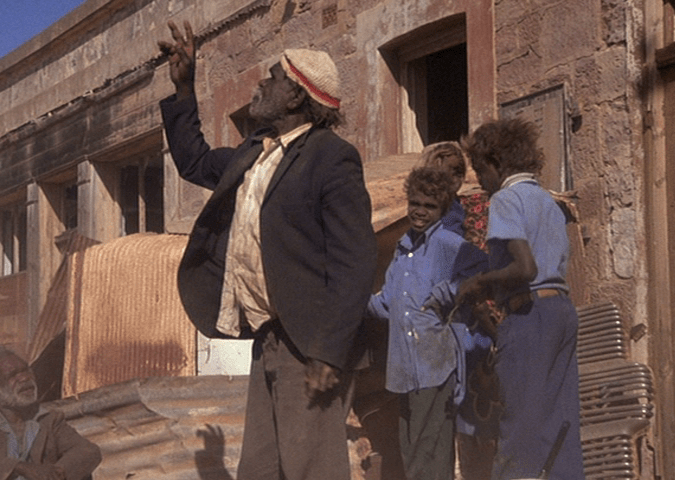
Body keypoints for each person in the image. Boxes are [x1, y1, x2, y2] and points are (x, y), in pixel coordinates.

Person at [157, 21, 377, 480]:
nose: (262, 82)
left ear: (297, 96)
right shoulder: (254, 152)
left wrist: (329, 351)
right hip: (270, 338)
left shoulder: (330, 157)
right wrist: (184, 89)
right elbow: (194, 160)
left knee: (311, 468)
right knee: (261, 469)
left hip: (310, 346)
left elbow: (354, 260)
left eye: (274, 76)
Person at [456, 117, 585, 479]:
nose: (479, 181)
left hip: (530, 315)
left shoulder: (505, 199)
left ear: (497, 163)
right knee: (560, 425)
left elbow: (524, 267)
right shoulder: (547, 201)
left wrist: (479, 281)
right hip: (560, 311)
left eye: (480, 170)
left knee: (519, 427)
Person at [367, 164, 487, 480]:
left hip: (434, 362)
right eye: (415, 204)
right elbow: (385, 304)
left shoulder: (447, 243)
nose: (420, 212)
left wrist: (446, 294)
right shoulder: (404, 248)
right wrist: (352, 299)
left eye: (429, 206)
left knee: (428, 452)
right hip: (405, 366)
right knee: (412, 448)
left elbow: (482, 270)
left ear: (443, 208)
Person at [0, 345, 102, 480]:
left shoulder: (49, 419)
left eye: (26, 370)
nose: (25, 378)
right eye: (12, 375)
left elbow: (88, 451)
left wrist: (55, 474)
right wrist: (20, 468)